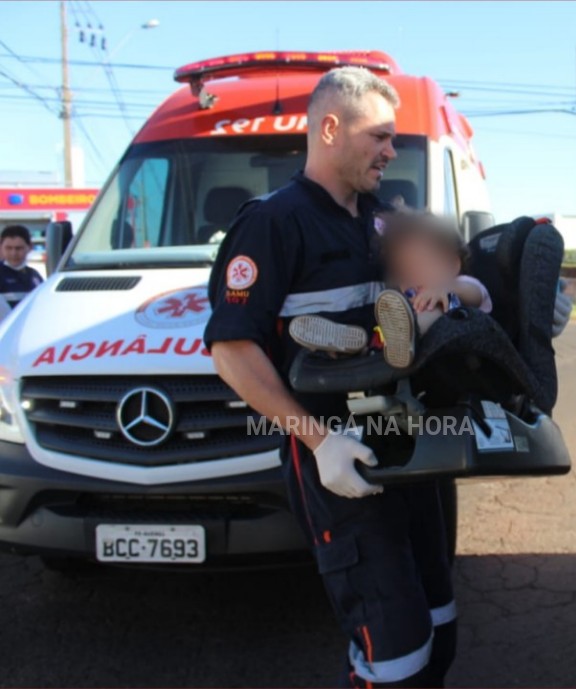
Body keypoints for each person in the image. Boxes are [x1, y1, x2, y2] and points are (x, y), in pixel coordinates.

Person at [203, 67, 457, 687]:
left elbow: (437, 282)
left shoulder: (382, 220)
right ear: (331, 127)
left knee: (438, 625)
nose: (392, 151)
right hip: (342, 450)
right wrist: (320, 441)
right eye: (381, 136)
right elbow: (232, 352)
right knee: (394, 651)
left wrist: (475, 292)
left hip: (412, 440)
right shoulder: (273, 222)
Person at [288, 211, 493, 369]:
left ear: (451, 264)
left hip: (460, 356)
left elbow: (475, 293)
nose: (413, 277)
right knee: (386, 325)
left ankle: (405, 336)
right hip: (399, 353)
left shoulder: (461, 285)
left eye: (420, 266)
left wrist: (444, 289)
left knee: (433, 308)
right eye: (404, 272)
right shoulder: (405, 302)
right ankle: (352, 345)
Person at [0, 225, 44, 310]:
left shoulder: (35, 276)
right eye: (8, 248)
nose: (13, 253)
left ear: (30, 247)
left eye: (18, 248)